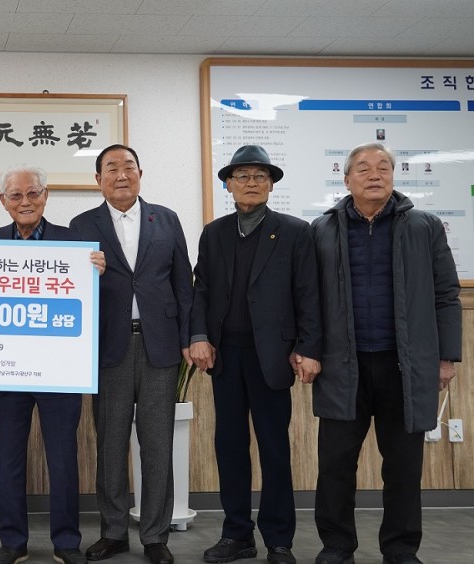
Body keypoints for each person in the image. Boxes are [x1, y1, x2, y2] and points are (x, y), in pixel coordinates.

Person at [311, 142, 461, 564]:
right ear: (346, 180)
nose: (374, 174)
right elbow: (306, 297)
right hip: (342, 365)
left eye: (383, 167)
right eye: (363, 168)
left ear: (394, 176)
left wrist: (446, 356)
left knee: (403, 466)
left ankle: (400, 548)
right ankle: (336, 545)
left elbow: (446, 294)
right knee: (335, 464)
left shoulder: (425, 226)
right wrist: (305, 350)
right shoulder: (321, 229)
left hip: (405, 366)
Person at [190, 145, 322, 564]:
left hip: (273, 357)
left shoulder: (295, 231)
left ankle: (279, 540)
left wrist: (307, 347)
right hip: (225, 356)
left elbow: (308, 293)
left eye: (260, 176)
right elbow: (201, 289)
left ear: (271, 185)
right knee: (229, 447)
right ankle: (236, 535)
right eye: (243, 176)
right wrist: (199, 335)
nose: (252, 183)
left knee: (274, 449)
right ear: (228, 185)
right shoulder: (214, 233)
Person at [69, 144, 193, 564]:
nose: (121, 175)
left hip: (160, 345)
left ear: (141, 173)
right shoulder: (82, 224)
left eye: (128, 167)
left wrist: (190, 337)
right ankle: (114, 532)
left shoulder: (166, 219)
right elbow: (72, 287)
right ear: (98, 179)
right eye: (111, 168)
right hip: (109, 346)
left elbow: (183, 283)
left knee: (157, 444)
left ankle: (155, 535)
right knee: (110, 443)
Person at [0, 166, 106, 564]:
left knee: (63, 459)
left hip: (59, 370)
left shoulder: (76, 245)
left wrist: (98, 273)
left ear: (46, 196)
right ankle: (12, 542)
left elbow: (94, 302)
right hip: (6, 370)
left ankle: (67, 542)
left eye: (33, 193)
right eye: (15, 196)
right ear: (3, 202)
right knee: (8, 459)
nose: (25, 202)